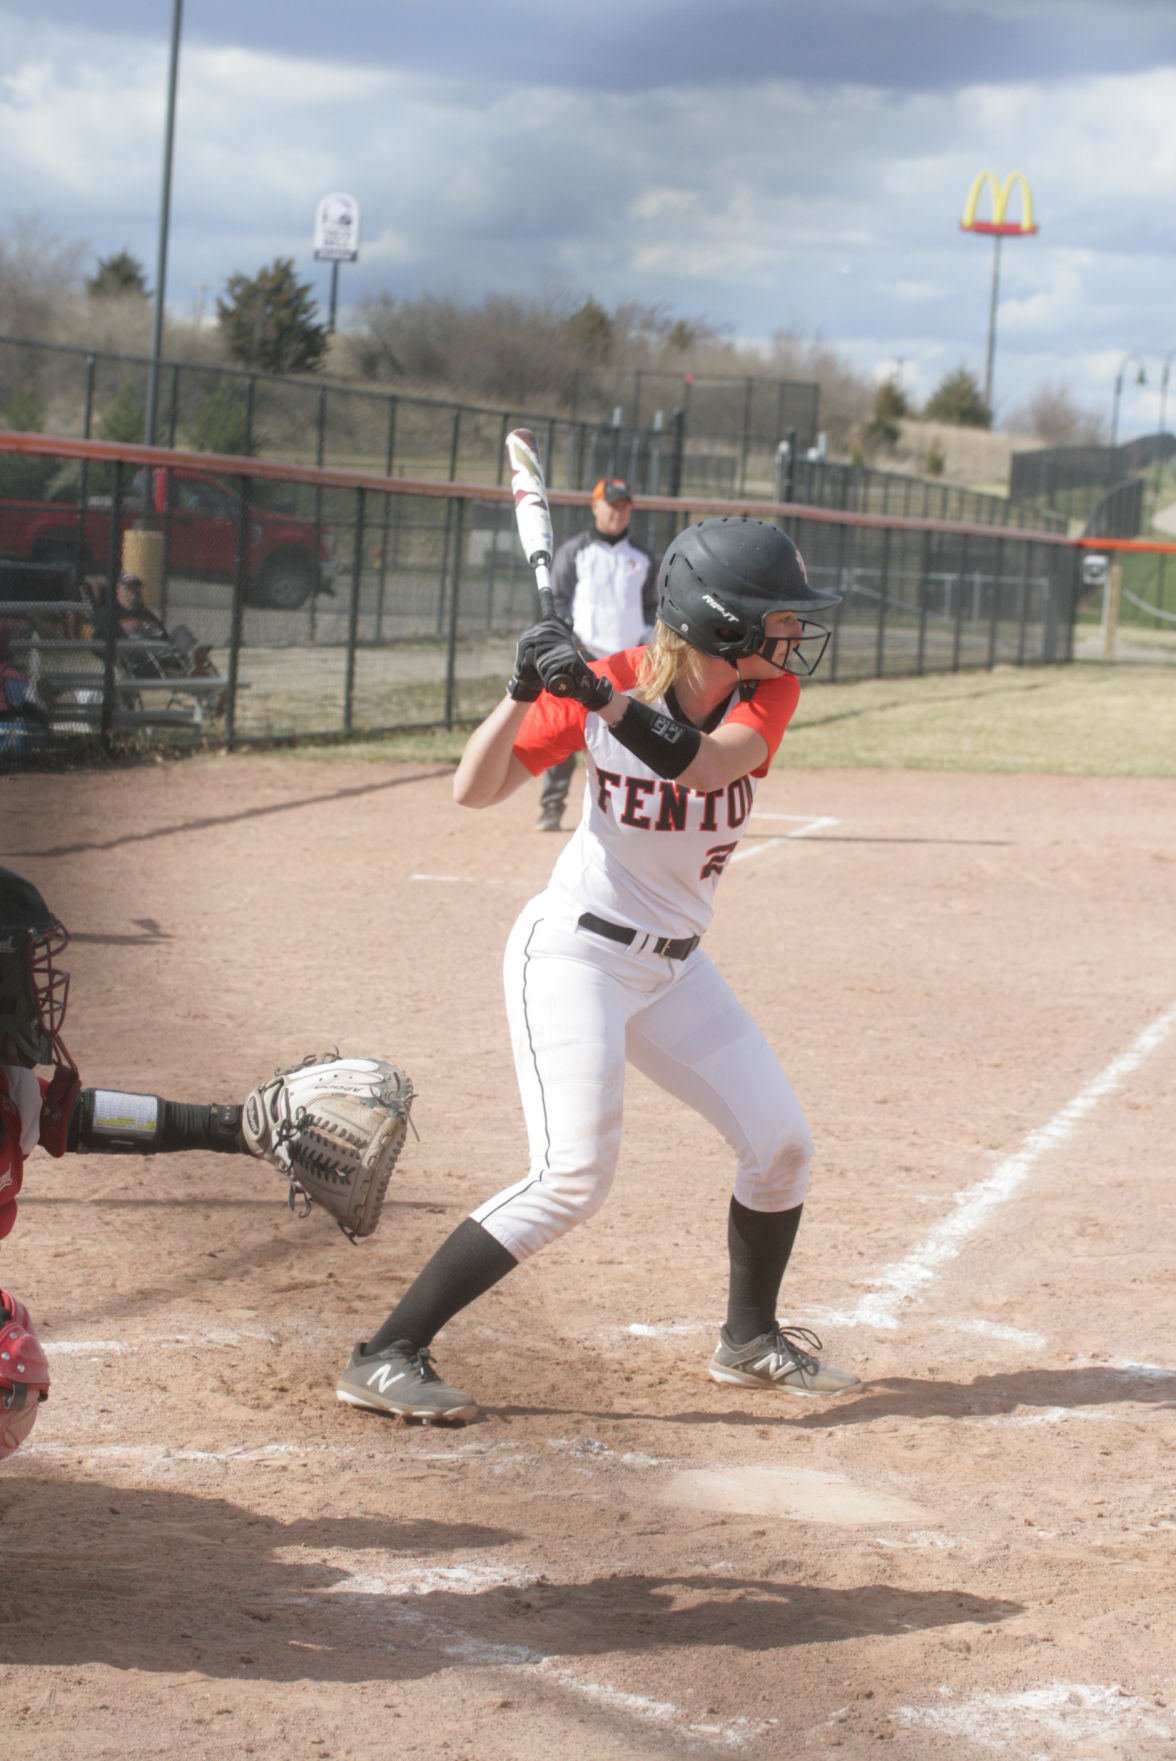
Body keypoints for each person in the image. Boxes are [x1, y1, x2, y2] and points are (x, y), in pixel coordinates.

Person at [337, 515, 862, 1426]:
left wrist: (607, 702)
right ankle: (387, 1352)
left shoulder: (756, 698)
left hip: (676, 970)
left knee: (780, 1144)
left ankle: (746, 1339)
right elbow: (475, 786)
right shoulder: (606, 679)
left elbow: (706, 767)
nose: (793, 634)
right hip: (575, 954)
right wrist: (518, 690)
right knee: (573, 1175)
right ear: (723, 621)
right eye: (778, 616)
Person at [0, 867, 408, 1462]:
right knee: (9, 1369)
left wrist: (233, 1128)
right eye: (18, 961)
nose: (37, 983)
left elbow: (78, 1119)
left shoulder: (8, 1086)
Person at [535, 476, 657, 832]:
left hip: (630, 662)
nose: (617, 513)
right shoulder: (576, 551)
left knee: (632, 736)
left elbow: (653, 605)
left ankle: (630, 812)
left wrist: (646, 639)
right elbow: (556, 600)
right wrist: (569, 643)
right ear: (595, 506)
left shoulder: (643, 557)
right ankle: (552, 807)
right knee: (567, 731)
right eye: (611, 505)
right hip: (585, 657)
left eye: (624, 506)